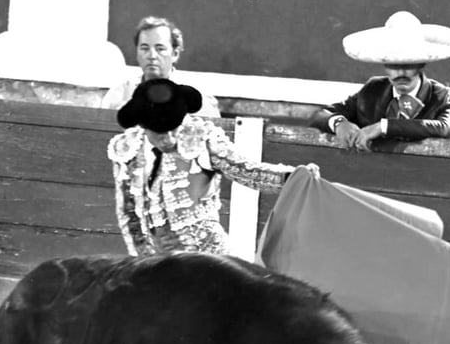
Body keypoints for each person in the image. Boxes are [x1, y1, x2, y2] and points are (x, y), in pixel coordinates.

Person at [108, 79, 317, 255]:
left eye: (174, 129)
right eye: (160, 134)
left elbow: (246, 171)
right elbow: (129, 215)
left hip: (208, 257)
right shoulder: (127, 150)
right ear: (143, 127)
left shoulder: (201, 137)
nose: (169, 139)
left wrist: (292, 177)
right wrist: (142, 260)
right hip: (158, 263)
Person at [310, 11, 450, 152]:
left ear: (421, 64)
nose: (400, 73)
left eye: (408, 65)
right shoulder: (373, 89)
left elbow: (443, 127)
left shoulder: (444, 96)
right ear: (384, 65)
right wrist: (339, 124)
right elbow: (321, 114)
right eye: (393, 65)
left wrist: (383, 127)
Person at [100, 16, 220, 118]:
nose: (152, 56)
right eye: (145, 48)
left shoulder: (197, 97)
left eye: (160, 49)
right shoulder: (119, 94)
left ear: (175, 54)